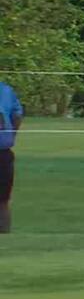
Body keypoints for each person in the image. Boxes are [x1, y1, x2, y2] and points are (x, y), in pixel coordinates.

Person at [0, 80, 22, 233]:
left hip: (3, 151)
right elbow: (17, 116)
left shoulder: (6, 90)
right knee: (2, 201)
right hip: (3, 150)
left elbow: (16, 115)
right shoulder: (6, 90)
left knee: (2, 200)